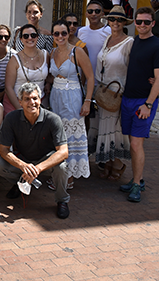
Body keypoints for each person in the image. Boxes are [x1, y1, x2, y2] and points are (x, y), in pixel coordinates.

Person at [0, 82, 71, 219]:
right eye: (27, 99)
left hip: (45, 161)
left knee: (62, 167)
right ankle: (20, 183)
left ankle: (62, 200)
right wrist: (22, 165)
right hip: (23, 159)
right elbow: (3, 150)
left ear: (40, 99)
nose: (32, 102)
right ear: (20, 102)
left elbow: (64, 152)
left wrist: (38, 168)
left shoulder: (53, 119)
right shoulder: (11, 118)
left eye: (35, 98)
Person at [119, 7, 159, 203]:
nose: (142, 25)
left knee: (136, 144)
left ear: (153, 23)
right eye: (139, 21)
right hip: (128, 99)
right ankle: (136, 179)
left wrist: (148, 104)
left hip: (143, 102)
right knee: (132, 142)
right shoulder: (135, 41)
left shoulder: (158, 47)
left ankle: (137, 184)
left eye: (146, 22)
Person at [47, 19, 92, 190]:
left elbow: (90, 77)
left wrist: (87, 101)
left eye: (63, 33)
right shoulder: (52, 52)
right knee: (57, 135)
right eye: (56, 33)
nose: (60, 36)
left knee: (71, 136)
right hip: (56, 97)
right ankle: (59, 173)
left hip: (72, 97)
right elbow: (51, 76)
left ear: (68, 34)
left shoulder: (77, 51)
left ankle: (69, 176)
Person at [91, 6, 133, 179]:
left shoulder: (129, 42)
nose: (116, 22)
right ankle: (108, 162)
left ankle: (117, 163)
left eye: (120, 20)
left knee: (113, 128)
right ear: (108, 21)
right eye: (113, 19)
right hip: (103, 91)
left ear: (124, 23)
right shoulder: (108, 38)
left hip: (116, 92)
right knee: (104, 127)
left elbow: (133, 68)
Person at [4, 24, 48, 114]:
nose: (30, 38)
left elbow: (49, 76)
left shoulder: (45, 55)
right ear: (21, 39)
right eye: (26, 36)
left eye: (33, 35)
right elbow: (8, 87)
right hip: (17, 102)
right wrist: (20, 110)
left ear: (37, 37)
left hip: (38, 102)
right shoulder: (15, 59)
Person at [78, 0, 111, 78]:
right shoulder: (81, 31)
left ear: (102, 14)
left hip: (102, 79)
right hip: (84, 78)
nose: (93, 14)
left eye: (97, 11)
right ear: (86, 14)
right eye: (90, 11)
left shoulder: (109, 31)